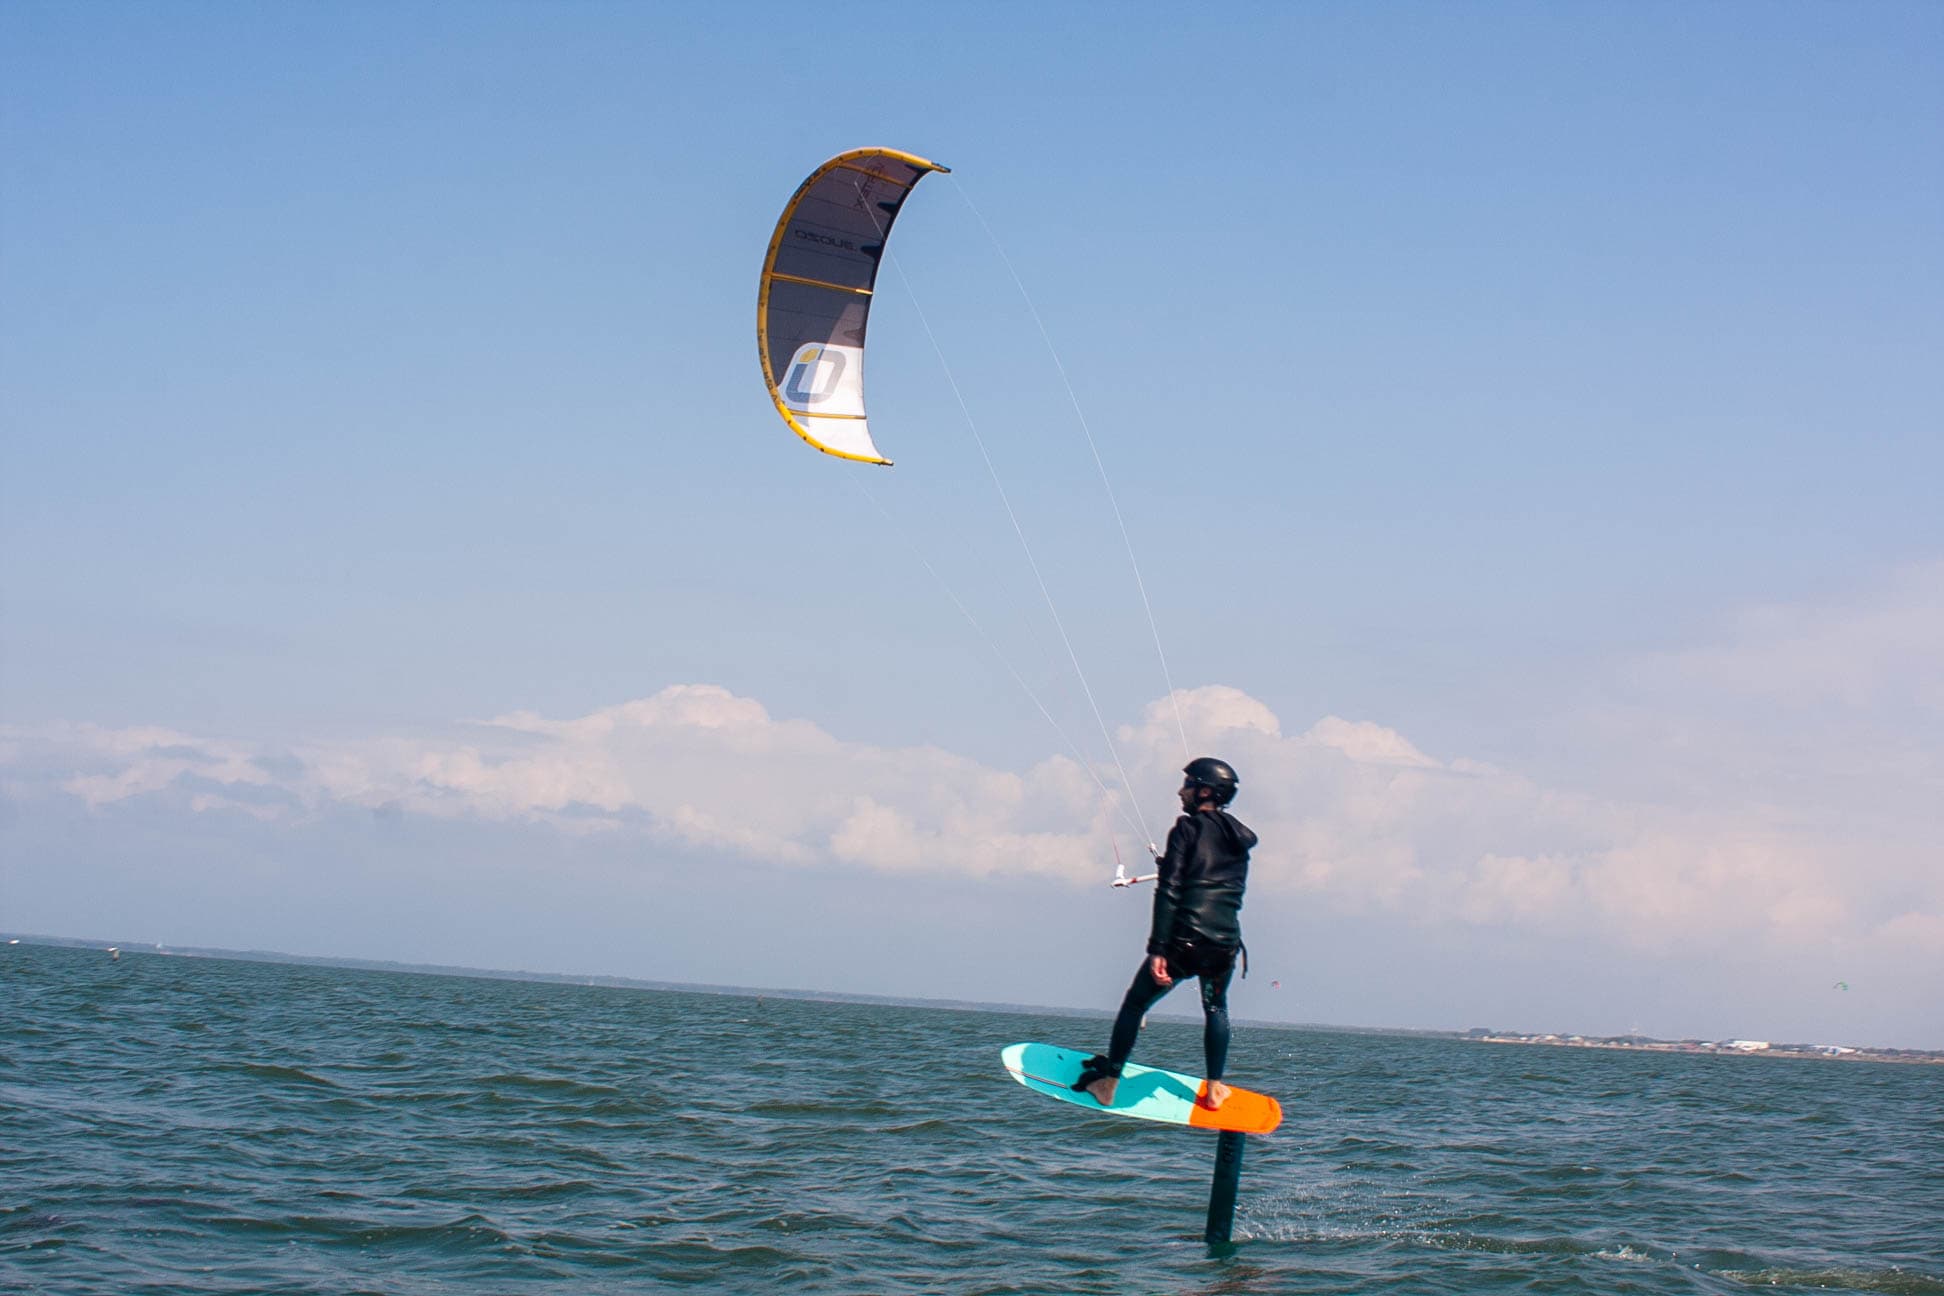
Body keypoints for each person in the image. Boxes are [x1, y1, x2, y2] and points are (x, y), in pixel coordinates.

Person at [1075, 757, 1257, 1110]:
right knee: (1216, 1007)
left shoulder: (1185, 830)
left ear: (1205, 791)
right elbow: (1216, 882)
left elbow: (1170, 890)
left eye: (1187, 784)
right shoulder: (1239, 839)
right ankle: (1215, 1089)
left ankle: (1109, 1082)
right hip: (1225, 944)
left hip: (1183, 943)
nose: (1181, 790)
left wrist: (1159, 948)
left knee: (1135, 1003)